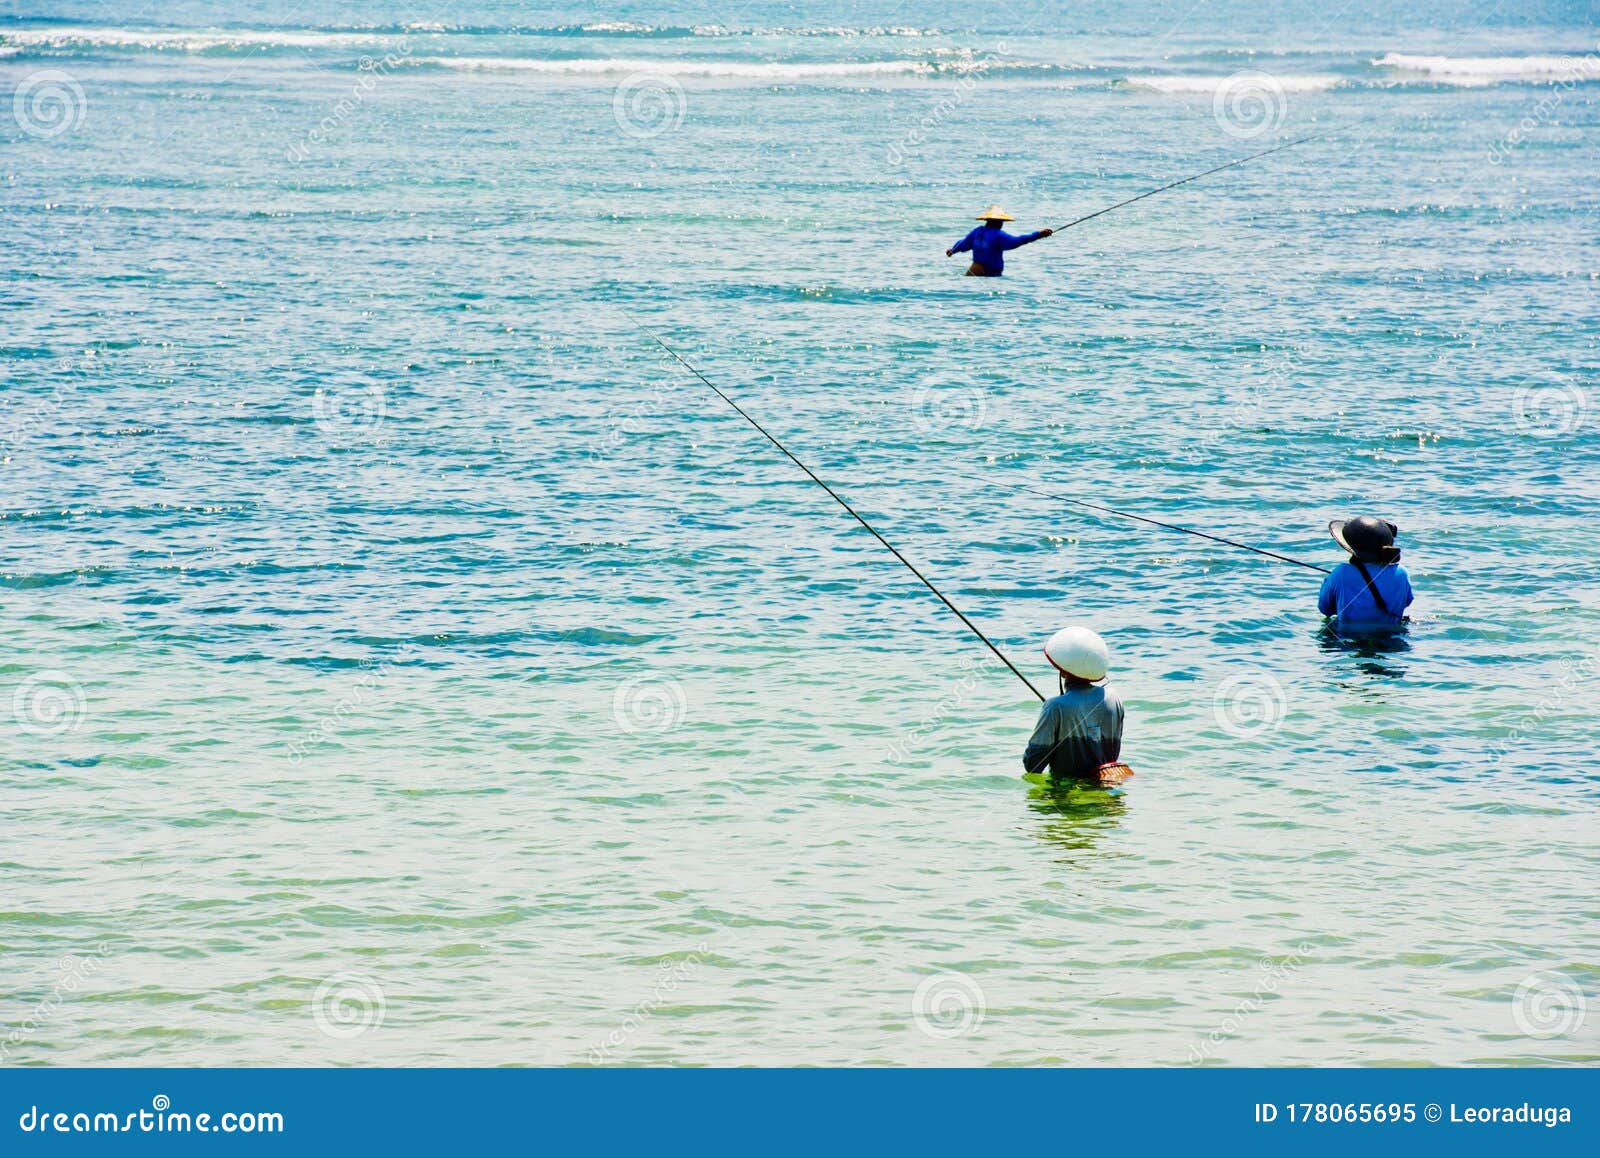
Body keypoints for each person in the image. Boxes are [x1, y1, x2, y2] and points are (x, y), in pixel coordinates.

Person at [1022, 625, 1127, 784]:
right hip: (1108, 787)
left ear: (1063, 672)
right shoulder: (1114, 698)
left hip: (1070, 792)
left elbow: (1033, 764)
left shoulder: (1055, 706)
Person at [1318, 516, 1414, 631]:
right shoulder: (1401, 573)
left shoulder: (1340, 573)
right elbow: (1407, 602)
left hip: (1349, 640)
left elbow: (1325, 609)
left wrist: (1330, 581)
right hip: (1390, 640)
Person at [946, 206, 1052, 276]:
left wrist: (953, 250)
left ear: (987, 220)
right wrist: (1038, 235)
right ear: (1000, 222)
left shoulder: (977, 232)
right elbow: (1018, 241)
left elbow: (963, 243)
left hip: (975, 270)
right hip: (989, 274)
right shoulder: (998, 235)